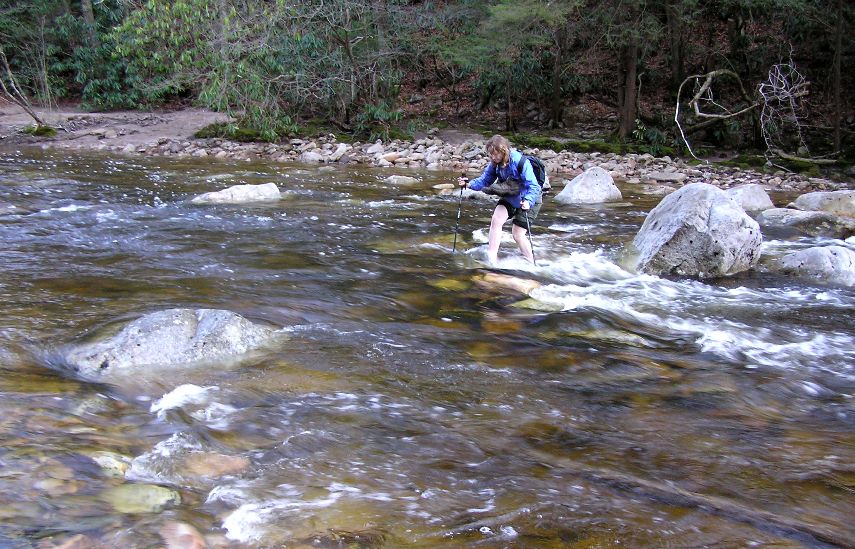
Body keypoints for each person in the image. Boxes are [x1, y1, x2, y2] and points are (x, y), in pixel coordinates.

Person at [458, 135, 542, 264]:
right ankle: (492, 258)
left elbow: (534, 186)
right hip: (511, 196)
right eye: (491, 154)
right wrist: (468, 184)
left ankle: (531, 264)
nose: (493, 157)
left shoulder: (519, 161)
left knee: (517, 234)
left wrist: (528, 201)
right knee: (496, 219)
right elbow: (485, 180)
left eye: (495, 154)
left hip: (530, 199)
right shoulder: (495, 164)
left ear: (504, 151)